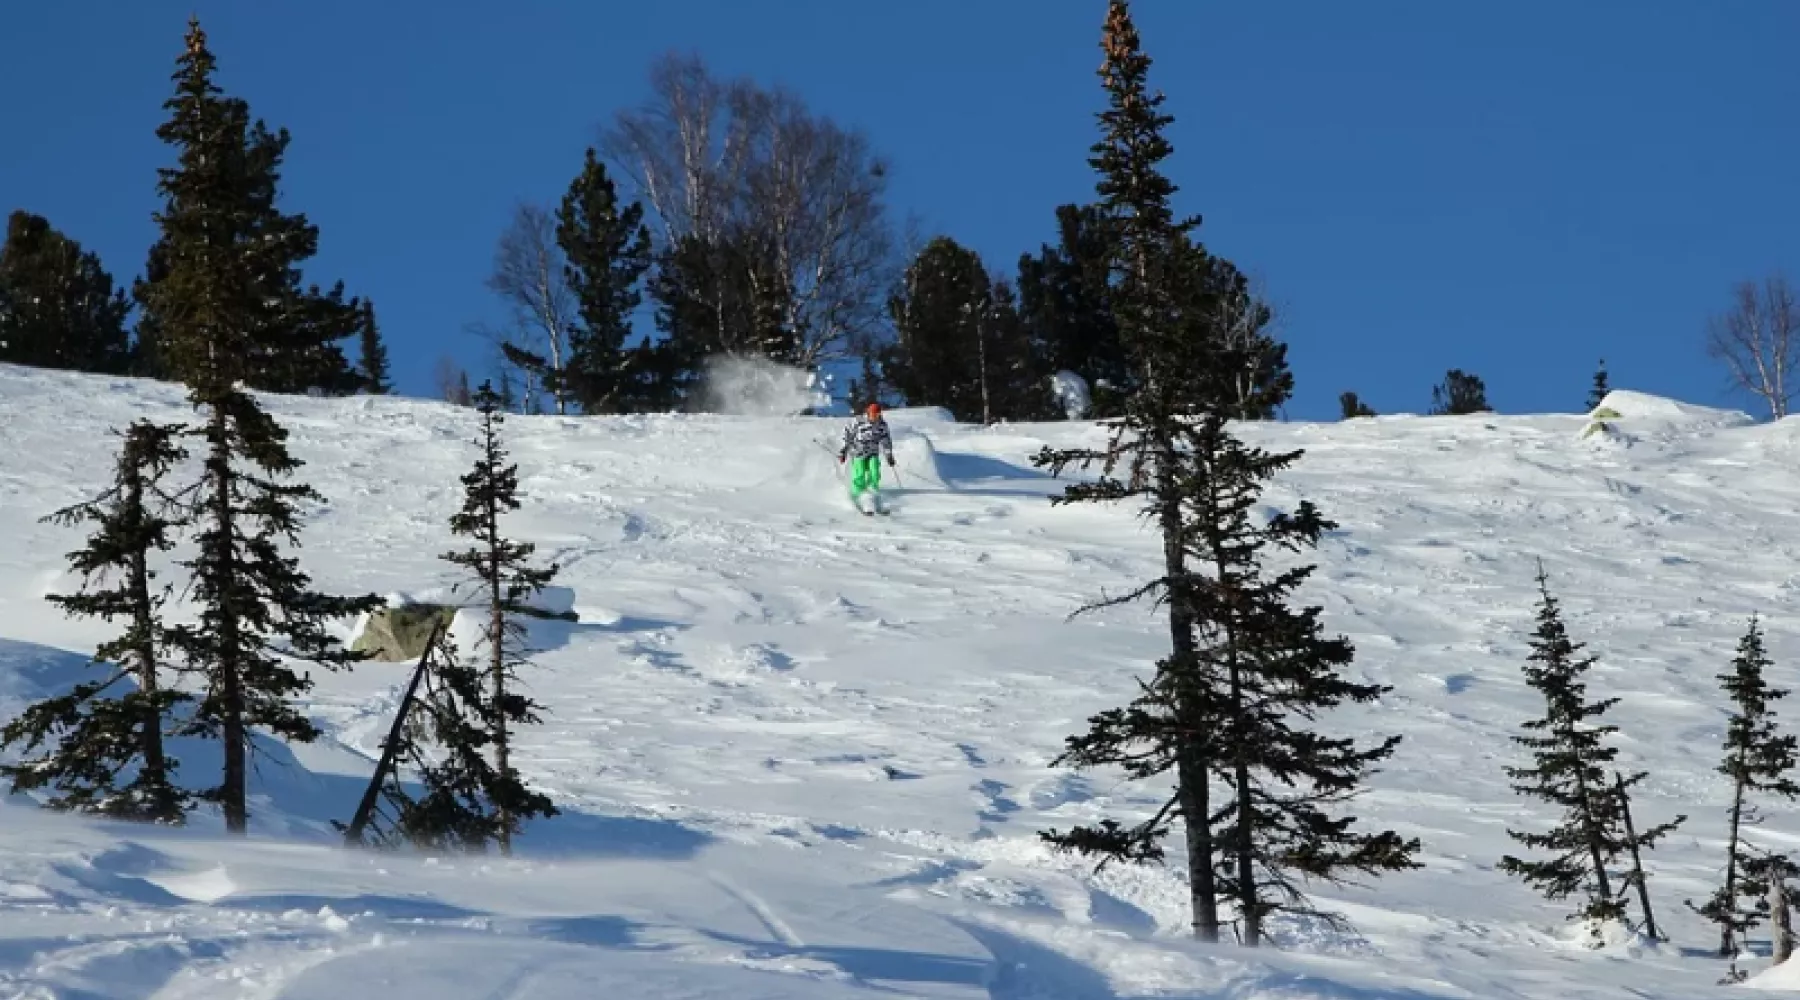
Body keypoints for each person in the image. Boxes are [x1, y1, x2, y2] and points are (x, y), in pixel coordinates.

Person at [838, 402, 896, 508]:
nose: (875, 417)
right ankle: (858, 494)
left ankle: (872, 492)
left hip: (872, 452)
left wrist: (889, 455)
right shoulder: (858, 421)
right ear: (868, 413)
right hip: (858, 453)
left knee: (875, 471)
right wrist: (843, 451)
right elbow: (847, 435)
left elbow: (886, 440)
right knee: (859, 473)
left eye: (878, 415)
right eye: (873, 415)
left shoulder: (882, 424)